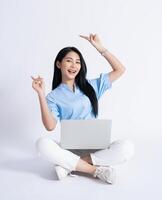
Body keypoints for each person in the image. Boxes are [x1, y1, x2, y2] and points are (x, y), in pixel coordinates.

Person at [31, 34, 135, 184]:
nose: (74, 66)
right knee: (41, 144)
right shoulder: (53, 96)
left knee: (128, 147)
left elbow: (120, 70)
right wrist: (41, 94)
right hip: (69, 149)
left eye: (78, 62)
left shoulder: (91, 86)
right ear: (59, 64)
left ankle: (70, 166)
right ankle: (95, 170)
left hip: (96, 149)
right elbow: (50, 126)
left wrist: (100, 48)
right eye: (69, 61)